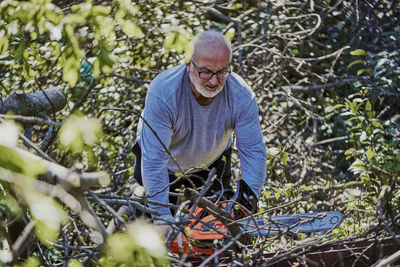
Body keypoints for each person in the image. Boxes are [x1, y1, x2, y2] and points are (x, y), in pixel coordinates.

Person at [132, 30, 266, 230]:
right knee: (149, 230)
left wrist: (248, 197)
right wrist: (161, 216)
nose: (213, 81)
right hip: (161, 164)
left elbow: (254, 151)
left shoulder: (241, 95)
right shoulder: (163, 92)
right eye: (205, 72)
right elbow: (153, 161)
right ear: (188, 65)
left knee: (215, 231)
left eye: (222, 72)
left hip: (211, 161)